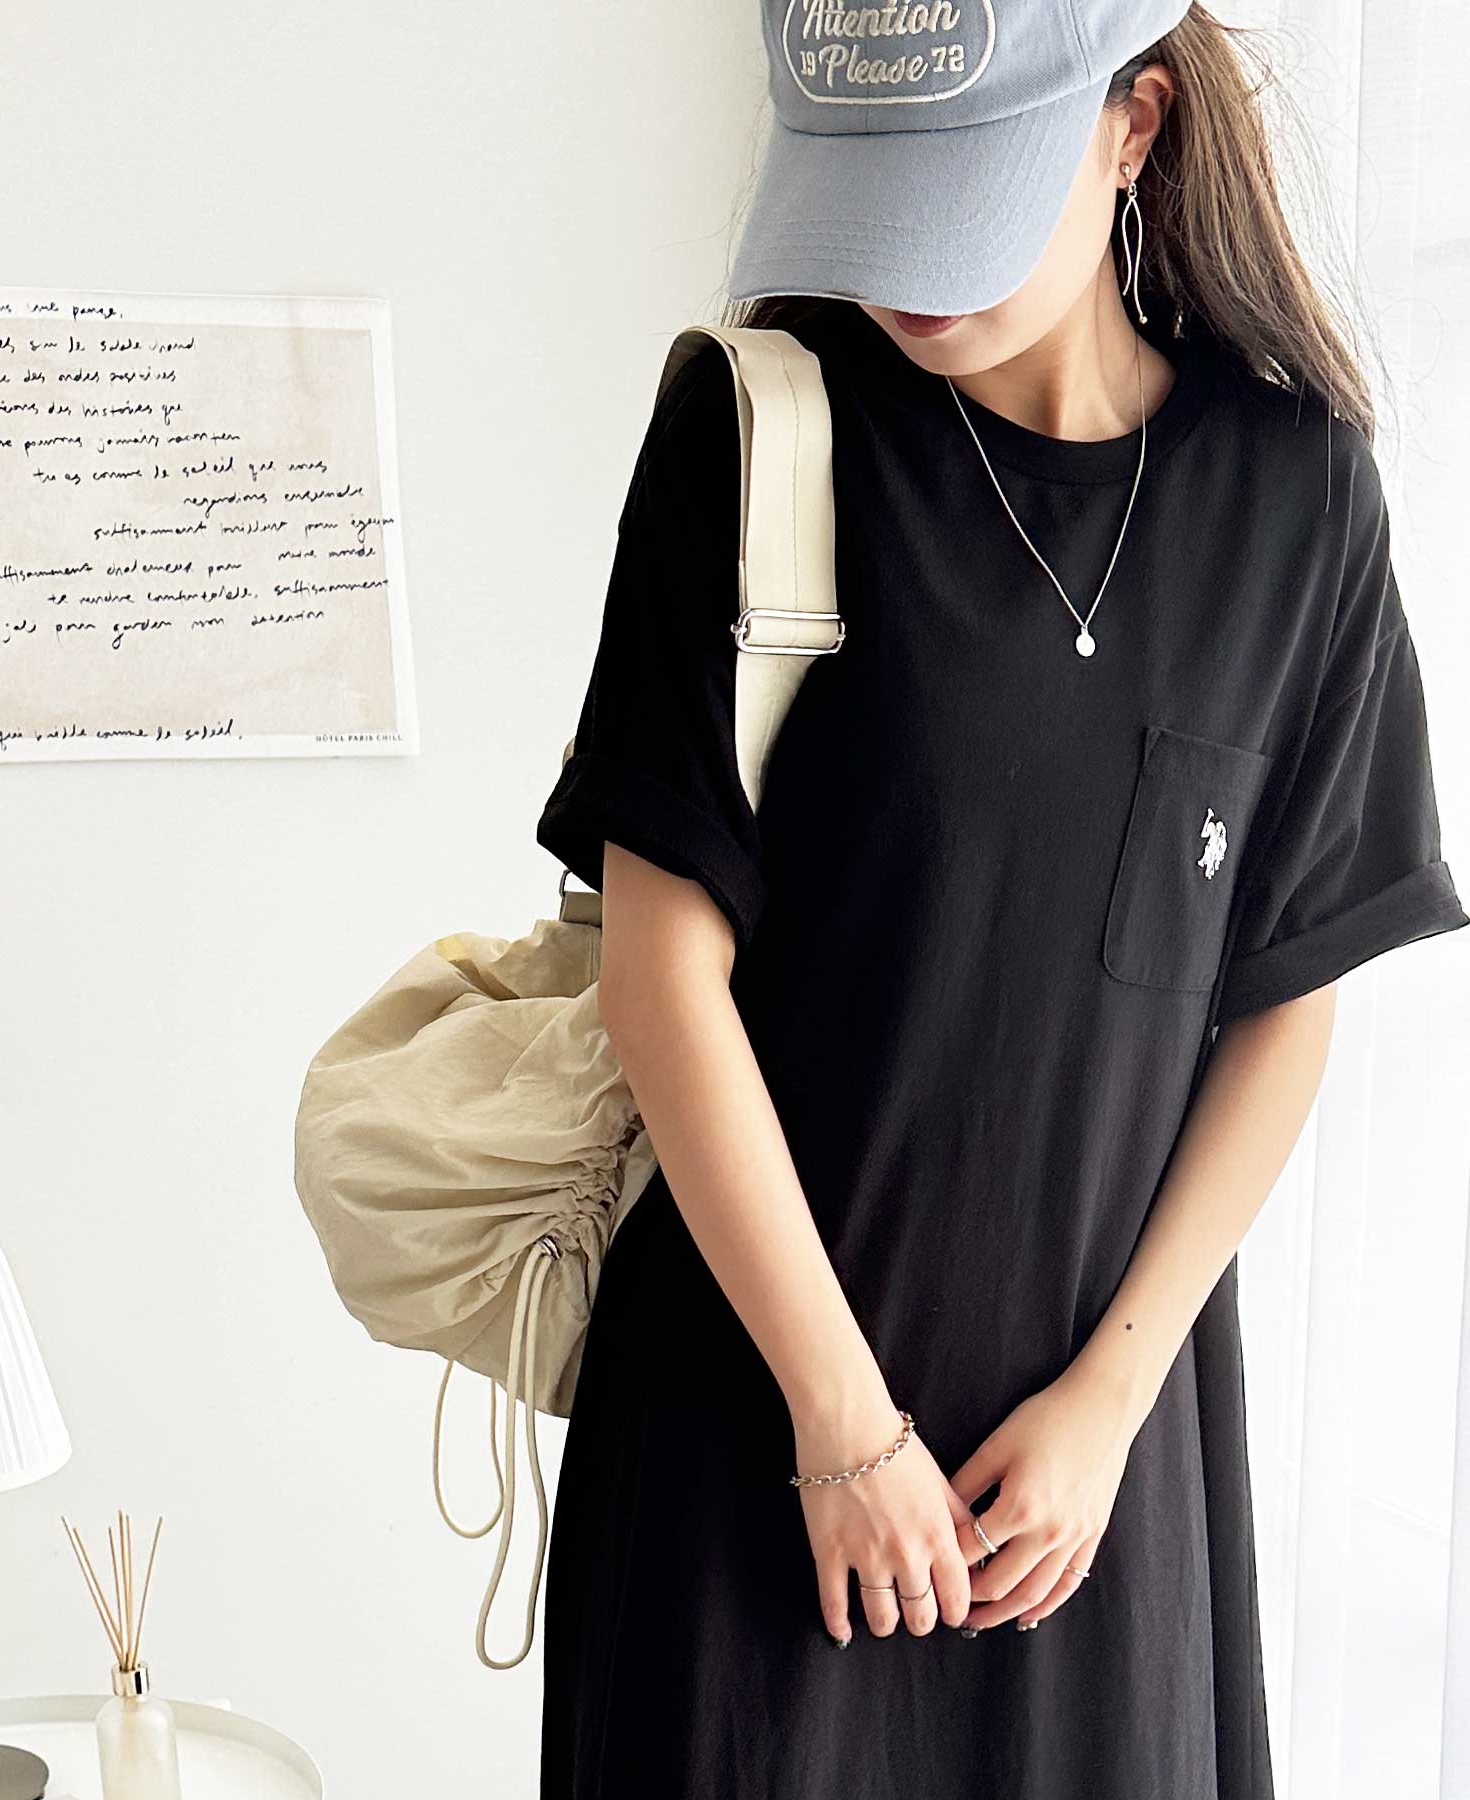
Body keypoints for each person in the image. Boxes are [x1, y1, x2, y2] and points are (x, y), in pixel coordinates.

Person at [533, 2, 1469, 1795]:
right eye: (867, 195)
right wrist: (840, 1424)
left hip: (1096, 1488)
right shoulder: (758, 437)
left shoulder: (1297, 500)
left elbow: (1286, 998)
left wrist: (1112, 1400)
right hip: (755, 1440)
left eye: (959, 193)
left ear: (1136, 126)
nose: (906, 271)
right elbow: (662, 976)